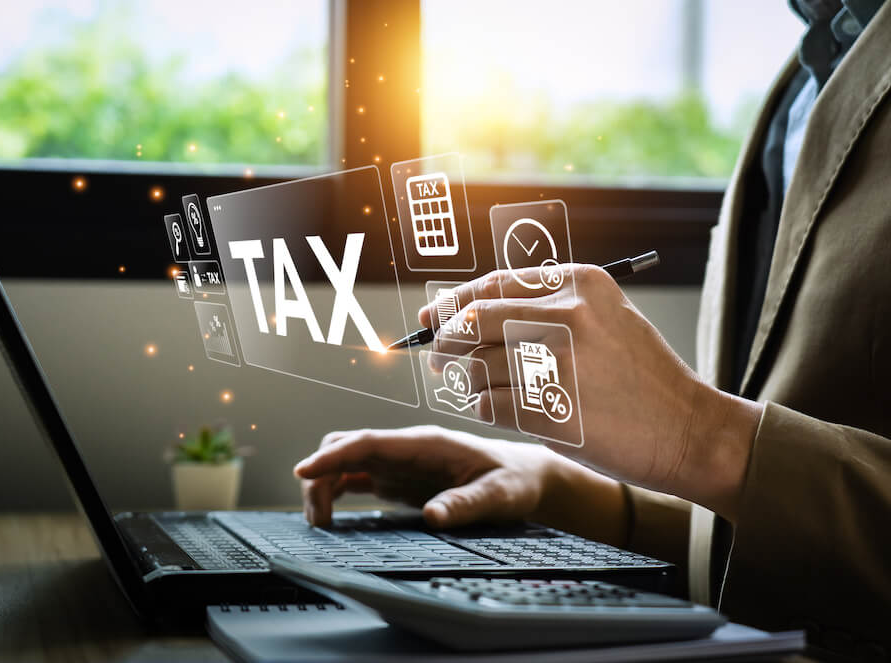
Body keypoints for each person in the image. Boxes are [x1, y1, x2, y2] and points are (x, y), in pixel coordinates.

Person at [295, 0, 891, 655]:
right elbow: (754, 529)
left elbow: (730, 453)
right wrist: (552, 484)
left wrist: (702, 434)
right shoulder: (804, 79)